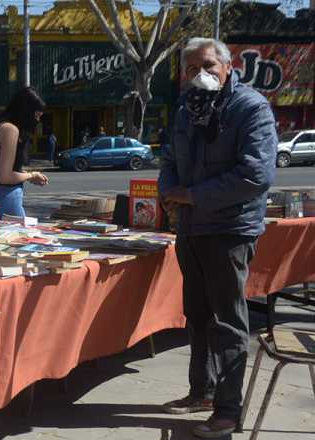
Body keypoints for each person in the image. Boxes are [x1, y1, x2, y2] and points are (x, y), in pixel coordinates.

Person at [158, 37, 277, 439]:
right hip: (190, 228)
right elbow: (169, 160)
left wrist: (192, 195)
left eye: (207, 65)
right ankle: (202, 392)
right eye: (191, 68)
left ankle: (228, 412)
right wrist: (169, 192)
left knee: (228, 323)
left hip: (229, 229)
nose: (199, 74)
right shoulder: (185, 108)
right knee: (197, 316)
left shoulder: (250, 107)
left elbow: (255, 175)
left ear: (227, 67)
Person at [0, 86, 50, 219]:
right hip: (6, 196)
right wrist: (31, 175)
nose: (37, 121)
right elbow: (5, 177)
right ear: (26, 112)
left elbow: (1, 169)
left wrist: (26, 175)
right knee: (23, 237)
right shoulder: (10, 130)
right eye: (36, 116)